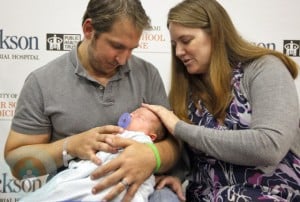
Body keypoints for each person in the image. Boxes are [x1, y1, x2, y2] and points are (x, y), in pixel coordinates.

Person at [4, 0, 180, 201]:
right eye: (117, 46)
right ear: (89, 29)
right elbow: (19, 165)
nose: (123, 60)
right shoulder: (42, 82)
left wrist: (152, 156)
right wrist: (69, 147)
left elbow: (174, 145)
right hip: (76, 185)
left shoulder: (147, 74)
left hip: (135, 185)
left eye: (132, 49)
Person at [142, 0, 300, 201]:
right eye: (174, 44)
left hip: (271, 194)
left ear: (215, 34)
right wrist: (177, 175)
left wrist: (180, 128)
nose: (179, 52)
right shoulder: (185, 91)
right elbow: (188, 157)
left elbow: (269, 146)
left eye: (186, 40)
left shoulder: (264, 69)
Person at [19, 107, 168, 202]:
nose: (131, 115)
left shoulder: (142, 139)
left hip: (116, 184)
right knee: (60, 187)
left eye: (139, 117)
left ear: (152, 136)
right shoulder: (115, 133)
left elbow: (147, 164)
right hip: (88, 176)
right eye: (133, 112)